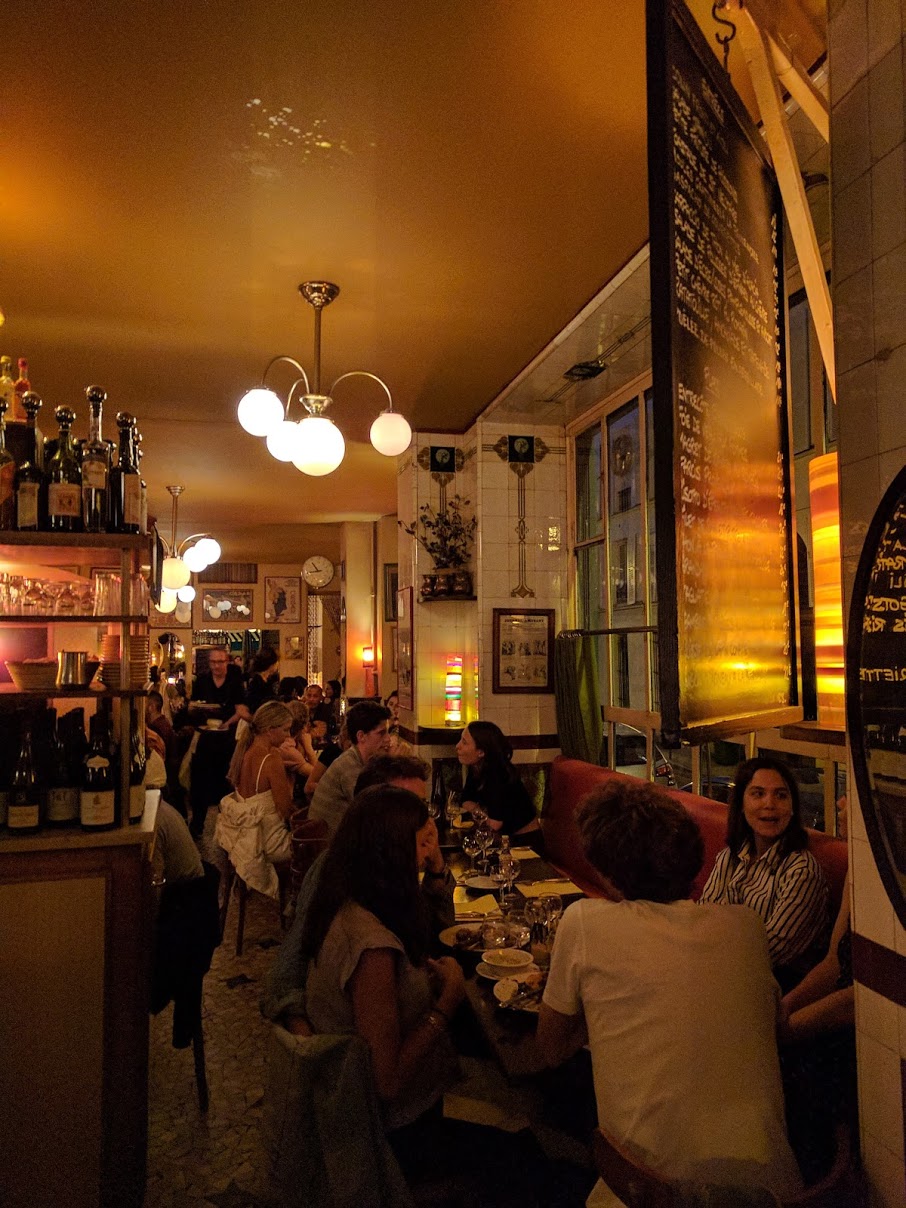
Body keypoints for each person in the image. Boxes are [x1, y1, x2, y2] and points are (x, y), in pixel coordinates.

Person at [537, 779, 803, 1204]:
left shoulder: (584, 922)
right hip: (775, 1193)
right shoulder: (746, 926)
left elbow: (550, 1049)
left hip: (653, 1193)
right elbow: (775, 1028)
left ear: (604, 869)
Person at [299, 786, 464, 1137]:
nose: (427, 853)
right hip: (392, 1129)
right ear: (391, 852)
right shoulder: (371, 946)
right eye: (421, 843)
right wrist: (446, 1004)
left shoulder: (347, 899)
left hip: (367, 1106)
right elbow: (388, 1082)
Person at [262, 753, 454, 1029]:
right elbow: (289, 967)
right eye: (402, 806)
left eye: (420, 806)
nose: (421, 820)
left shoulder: (394, 869)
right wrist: (305, 1039)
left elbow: (440, 937)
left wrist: (436, 868)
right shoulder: (337, 871)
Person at [699, 756, 829, 991]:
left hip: (774, 987)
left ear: (792, 808)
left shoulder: (801, 871)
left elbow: (768, 952)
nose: (770, 804)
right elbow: (703, 916)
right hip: (720, 973)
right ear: (741, 804)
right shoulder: (730, 857)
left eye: (781, 795)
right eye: (758, 794)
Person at [778, 798, 855, 1184]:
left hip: (864, 1030)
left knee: (793, 1068)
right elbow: (834, 964)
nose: (840, 802)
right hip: (840, 1010)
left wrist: (784, 1030)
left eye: (851, 794)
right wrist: (783, 1008)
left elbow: (864, 997)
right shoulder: (862, 869)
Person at [213, 701, 294, 898]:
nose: (289, 735)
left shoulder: (244, 752)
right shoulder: (271, 759)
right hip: (267, 842)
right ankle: (297, 904)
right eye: (285, 730)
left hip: (244, 838)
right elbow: (285, 809)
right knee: (318, 845)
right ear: (270, 730)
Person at [187, 647, 251, 837]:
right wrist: (195, 709)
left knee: (226, 782)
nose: (216, 666)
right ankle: (197, 825)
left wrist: (227, 723)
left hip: (226, 738)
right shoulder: (202, 681)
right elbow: (193, 705)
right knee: (199, 782)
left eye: (220, 662)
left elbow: (240, 709)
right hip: (205, 736)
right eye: (213, 662)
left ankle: (227, 829)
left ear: (227, 662)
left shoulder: (234, 682)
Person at [455, 720, 543, 851]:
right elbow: (465, 800)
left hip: (525, 844)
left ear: (481, 752)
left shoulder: (498, 774)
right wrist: (481, 813)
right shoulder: (477, 768)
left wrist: (478, 813)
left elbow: (495, 824)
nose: (457, 746)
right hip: (503, 839)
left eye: (464, 742)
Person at [309, 701, 391, 834]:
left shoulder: (360, 760)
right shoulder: (349, 766)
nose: (388, 739)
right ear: (361, 736)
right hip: (328, 842)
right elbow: (373, 812)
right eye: (381, 733)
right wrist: (395, 766)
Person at [245, 646, 280, 715]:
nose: (278, 664)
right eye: (277, 661)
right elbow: (254, 705)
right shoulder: (256, 682)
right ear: (271, 664)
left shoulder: (268, 680)